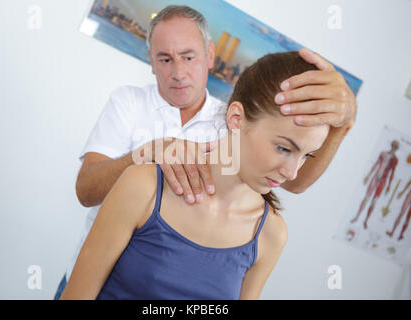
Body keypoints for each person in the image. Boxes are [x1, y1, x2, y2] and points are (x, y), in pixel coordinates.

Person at [54, 5, 357, 299]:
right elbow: (86, 190)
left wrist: (344, 123)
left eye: (188, 57)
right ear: (151, 60)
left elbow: (292, 179)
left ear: (210, 55)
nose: (178, 72)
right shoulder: (128, 107)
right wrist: (152, 152)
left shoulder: (266, 223)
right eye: (165, 59)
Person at [350, 140, 399, 229]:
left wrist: (389, 186)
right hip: (375, 178)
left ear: (396, 148)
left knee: (374, 201)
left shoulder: (395, 160)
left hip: (383, 181)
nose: (393, 147)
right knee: (366, 198)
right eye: (393, 145)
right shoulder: (383, 153)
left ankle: (366, 220)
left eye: (396, 147)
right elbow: (376, 164)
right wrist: (368, 175)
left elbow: (392, 173)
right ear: (391, 145)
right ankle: (357, 216)